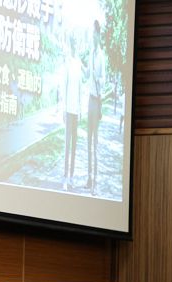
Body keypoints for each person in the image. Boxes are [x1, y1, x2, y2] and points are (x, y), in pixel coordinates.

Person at [86, 20, 105, 195]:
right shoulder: (91, 54)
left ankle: (96, 183)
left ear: (99, 35)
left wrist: (97, 77)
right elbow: (87, 75)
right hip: (89, 101)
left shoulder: (101, 56)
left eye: (94, 34)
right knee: (88, 140)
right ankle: (89, 178)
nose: (92, 36)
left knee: (96, 143)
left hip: (97, 100)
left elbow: (103, 80)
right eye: (91, 34)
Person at [62, 34, 83, 191]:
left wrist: (80, 109)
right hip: (68, 110)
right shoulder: (68, 63)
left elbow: (80, 88)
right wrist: (63, 109)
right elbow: (64, 86)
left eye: (75, 43)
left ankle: (71, 177)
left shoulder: (78, 63)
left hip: (76, 111)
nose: (74, 46)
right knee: (67, 145)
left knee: (74, 145)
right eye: (72, 43)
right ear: (70, 45)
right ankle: (64, 177)